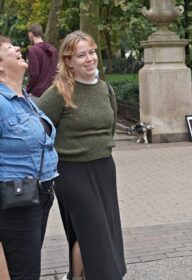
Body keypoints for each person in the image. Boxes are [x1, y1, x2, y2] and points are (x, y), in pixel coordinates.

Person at [38, 31, 127, 280]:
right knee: (93, 230)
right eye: (81, 55)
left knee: (98, 231)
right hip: (72, 172)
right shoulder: (59, 93)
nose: (90, 59)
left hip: (103, 168)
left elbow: (109, 128)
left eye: (92, 52)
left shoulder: (105, 89)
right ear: (68, 61)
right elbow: (36, 128)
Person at [0, 35, 58, 279]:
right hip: (16, 199)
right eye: (8, 47)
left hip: (39, 194)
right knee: (24, 272)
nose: (17, 48)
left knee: (27, 268)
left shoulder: (26, 100)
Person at [26, 23, 58, 103]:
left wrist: (27, 91)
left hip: (38, 93)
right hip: (53, 92)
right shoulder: (53, 49)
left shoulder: (33, 50)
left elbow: (34, 74)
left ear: (30, 34)